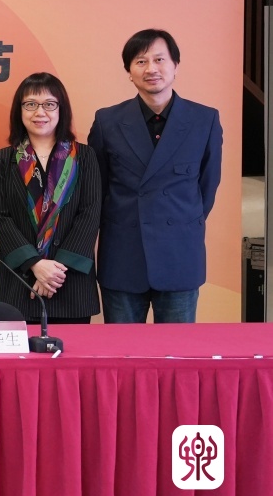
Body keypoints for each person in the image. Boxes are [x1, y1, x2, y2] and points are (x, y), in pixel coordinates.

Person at [88, 29, 223, 323]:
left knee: (177, 350)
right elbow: (97, 189)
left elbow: (207, 186)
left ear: (175, 65)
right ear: (129, 72)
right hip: (123, 254)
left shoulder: (204, 119)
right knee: (123, 349)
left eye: (159, 59)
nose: (151, 69)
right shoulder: (107, 121)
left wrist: (179, 221)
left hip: (179, 253)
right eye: (141, 61)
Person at [0, 72, 102, 324]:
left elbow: (90, 213)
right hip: (20, 281)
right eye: (30, 104)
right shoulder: (4, 159)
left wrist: (55, 271)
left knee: (73, 350)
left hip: (69, 281)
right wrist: (35, 264)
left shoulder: (84, 157)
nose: (40, 112)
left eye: (49, 104)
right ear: (19, 110)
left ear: (62, 109)